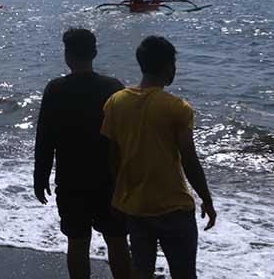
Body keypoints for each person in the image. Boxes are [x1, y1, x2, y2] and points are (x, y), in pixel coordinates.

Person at [101, 36, 216, 279]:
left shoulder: (116, 102)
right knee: (184, 273)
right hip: (173, 206)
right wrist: (206, 199)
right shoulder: (177, 107)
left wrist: (117, 196)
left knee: (142, 271)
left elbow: (113, 157)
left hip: (136, 207)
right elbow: (189, 160)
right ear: (168, 67)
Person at [34, 29, 132, 279]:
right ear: (95, 53)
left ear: (67, 55)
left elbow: (45, 138)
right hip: (108, 180)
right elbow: (125, 139)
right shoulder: (113, 87)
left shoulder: (55, 89)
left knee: (77, 243)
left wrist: (40, 176)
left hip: (71, 180)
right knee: (118, 242)